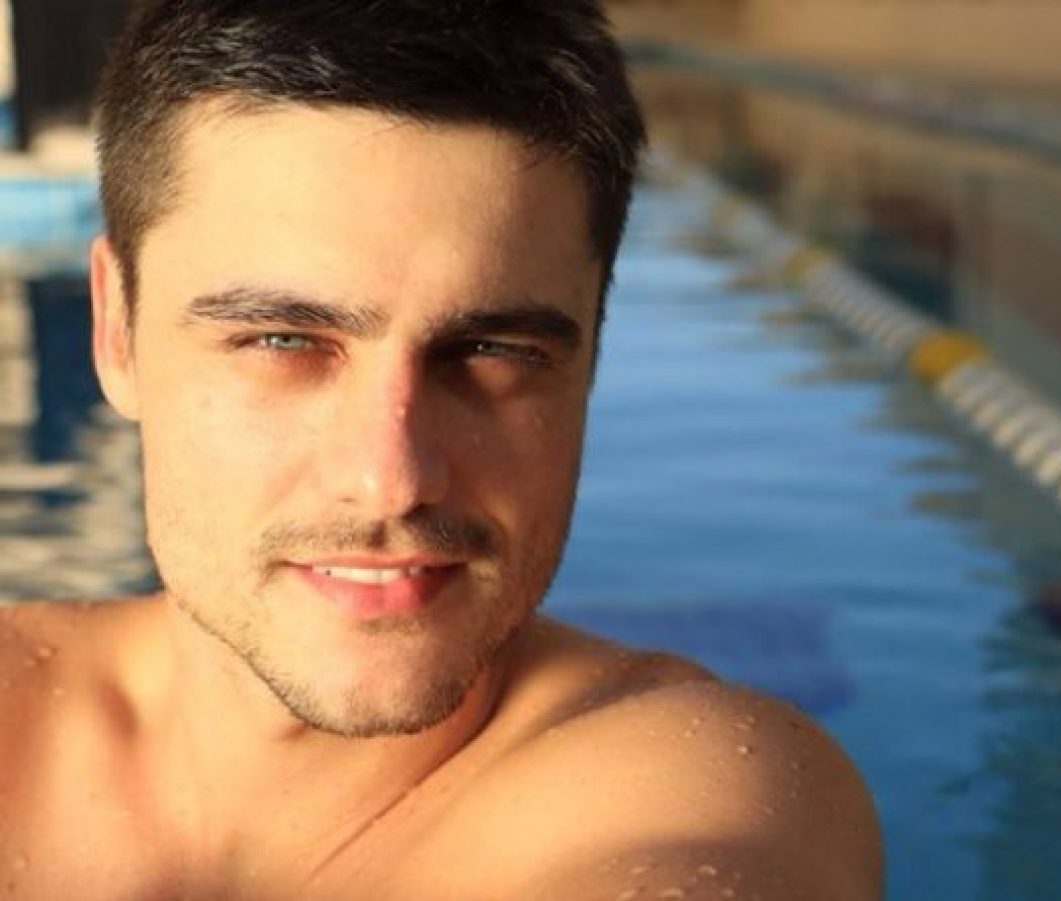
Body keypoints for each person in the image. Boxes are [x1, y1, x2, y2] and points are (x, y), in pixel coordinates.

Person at [0, 1, 883, 898]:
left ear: (591, 354)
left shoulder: (697, 793)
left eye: (493, 351)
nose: (391, 479)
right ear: (116, 332)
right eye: (282, 340)